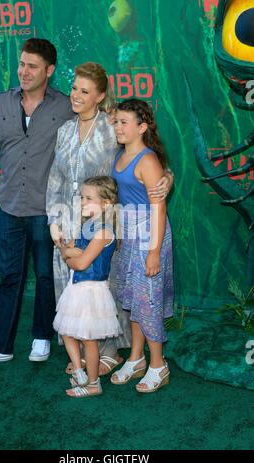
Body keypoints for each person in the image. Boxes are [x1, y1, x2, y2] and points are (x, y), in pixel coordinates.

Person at [46, 62, 173, 376]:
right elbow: (55, 179)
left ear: (100, 96)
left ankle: (109, 351)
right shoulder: (63, 130)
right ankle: (81, 352)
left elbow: (145, 156)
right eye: (74, 88)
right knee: (73, 287)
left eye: (84, 91)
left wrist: (166, 177)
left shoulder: (111, 125)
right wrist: (53, 219)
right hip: (68, 220)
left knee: (105, 286)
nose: (75, 95)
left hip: (105, 222)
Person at [0, 38, 74, 365]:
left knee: (45, 275)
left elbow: (99, 130)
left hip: (47, 211)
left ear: (49, 70)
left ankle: (42, 336)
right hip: (10, 207)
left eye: (32, 66)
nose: (24, 71)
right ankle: (0, 345)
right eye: (22, 64)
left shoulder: (65, 106)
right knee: (10, 276)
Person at [110, 99, 174, 392]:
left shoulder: (147, 160)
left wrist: (153, 252)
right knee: (134, 299)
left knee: (147, 300)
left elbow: (158, 209)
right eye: (116, 121)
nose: (118, 127)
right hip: (129, 236)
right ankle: (136, 358)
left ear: (142, 126)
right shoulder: (120, 155)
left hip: (150, 236)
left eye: (124, 122)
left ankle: (158, 365)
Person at [53, 176, 122, 397]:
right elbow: (67, 249)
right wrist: (69, 252)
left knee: (87, 339)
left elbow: (81, 262)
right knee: (66, 331)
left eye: (88, 198)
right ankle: (81, 373)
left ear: (106, 203)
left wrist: (71, 255)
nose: (82, 201)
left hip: (92, 290)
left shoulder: (104, 231)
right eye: (82, 197)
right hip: (76, 288)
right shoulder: (87, 227)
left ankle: (93, 384)